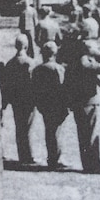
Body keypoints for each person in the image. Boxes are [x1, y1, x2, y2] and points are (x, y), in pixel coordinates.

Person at [67, 37, 100, 172]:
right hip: (89, 102)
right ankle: (93, 165)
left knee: (82, 135)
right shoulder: (87, 63)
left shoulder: (76, 61)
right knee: (91, 134)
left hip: (78, 102)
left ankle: (87, 163)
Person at [0, 34, 36, 165]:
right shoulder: (31, 63)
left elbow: (7, 84)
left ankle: (22, 155)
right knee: (28, 128)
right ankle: (28, 156)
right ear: (26, 46)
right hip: (28, 100)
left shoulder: (10, 63)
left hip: (16, 100)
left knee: (19, 127)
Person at [32, 41, 68, 169]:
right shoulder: (59, 68)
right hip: (57, 104)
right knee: (57, 132)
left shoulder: (37, 69)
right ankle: (55, 158)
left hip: (45, 105)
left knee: (49, 131)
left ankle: (51, 157)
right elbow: (63, 87)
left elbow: (35, 89)